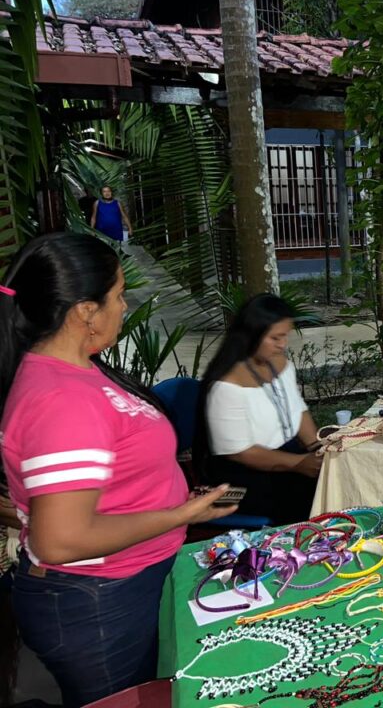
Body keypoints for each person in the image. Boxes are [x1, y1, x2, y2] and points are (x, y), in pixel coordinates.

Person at [0, 233, 234, 707]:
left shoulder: (77, 370)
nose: (124, 306)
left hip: (124, 583)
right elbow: (59, 540)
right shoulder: (61, 398)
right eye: (119, 294)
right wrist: (179, 514)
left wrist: (176, 504)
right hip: (97, 598)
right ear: (86, 311)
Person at [195, 294, 323, 525]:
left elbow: (298, 409)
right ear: (252, 335)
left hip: (287, 456)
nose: (283, 344)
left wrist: (319, 448)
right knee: (310, 495)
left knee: (333, 476)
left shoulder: (280, 362)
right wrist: (299, 463)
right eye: (275, 337)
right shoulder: (226, 385)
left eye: (285, 336)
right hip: (243, 475)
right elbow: (240, 453)